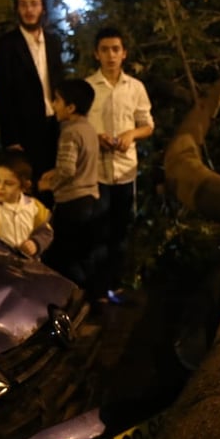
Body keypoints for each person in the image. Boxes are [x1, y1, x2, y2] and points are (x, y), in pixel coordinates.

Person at [86, 27, 154, 301]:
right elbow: (76, 124)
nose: (111, 55)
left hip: (125, 169)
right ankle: (96, 289)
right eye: (105, 49)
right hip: (98, 171)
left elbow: (147, 125)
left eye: (116, 49)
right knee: (97, 230)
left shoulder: (135, 87)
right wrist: (96, 137)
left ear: (124, 53)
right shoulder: (89, 87)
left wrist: (130, 134)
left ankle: (116, 285)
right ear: (96, 54)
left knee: (120, 229)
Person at [0, 0, 64, 183]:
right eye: (23, 4)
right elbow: (2, 93)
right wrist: (10, 138)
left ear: (43, 7)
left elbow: (59, 82)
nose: (29, 10)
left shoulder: (53, 42)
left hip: (54, 125)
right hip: (24, 130)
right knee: (28, 188)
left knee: (53, 185)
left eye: (34, 4)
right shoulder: (6, 44)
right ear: (16, 8)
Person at [37, 79, 98, 288]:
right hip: (90, 200)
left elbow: (68, 170)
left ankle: (73, 301)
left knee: (61, 258)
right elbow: (80, 162)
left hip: (71, 202)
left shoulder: (70, 132)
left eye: (57, 100)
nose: (54, 105)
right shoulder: (88, 129)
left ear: (70, 108)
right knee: (81, 254)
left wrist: (49, 184)